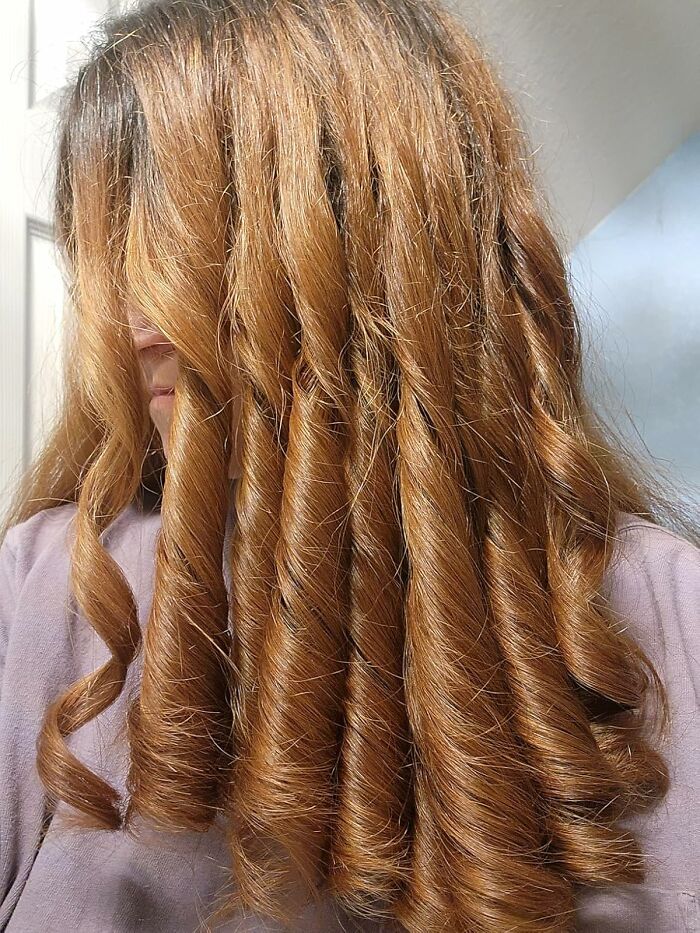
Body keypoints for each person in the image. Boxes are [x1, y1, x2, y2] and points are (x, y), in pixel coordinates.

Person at [0, 0, 698, 930]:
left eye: (192, 240)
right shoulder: (38, 596)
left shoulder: (674, 618)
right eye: (113, 252)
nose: (129, 325)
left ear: (380, 242)